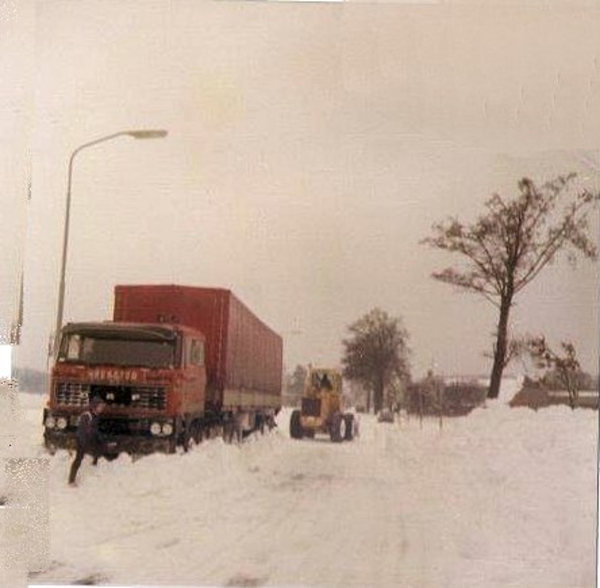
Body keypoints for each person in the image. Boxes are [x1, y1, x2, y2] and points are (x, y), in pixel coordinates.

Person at [68, 396, 116, 486]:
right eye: (100, 407)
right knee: (78, 459)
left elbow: (95, 431)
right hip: (82, 441)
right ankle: (71, 480)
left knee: (100, 450)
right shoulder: (87, 416)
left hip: (89, 440)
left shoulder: (95, 416)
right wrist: (85, 444)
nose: (102, 409)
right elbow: (82, 431)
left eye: (103, 407)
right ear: (95, 406)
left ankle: (94, 465)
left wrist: (104, 441)